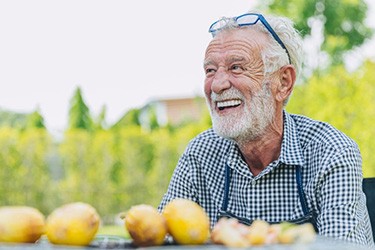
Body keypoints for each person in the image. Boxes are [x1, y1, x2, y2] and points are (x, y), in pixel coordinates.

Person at [158, 11, 374, 246]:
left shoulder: (331, 152)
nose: (217, 85)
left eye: (236, 67)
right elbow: (161, 237)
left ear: (283, 82)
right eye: (210, 70)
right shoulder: (201, 153)